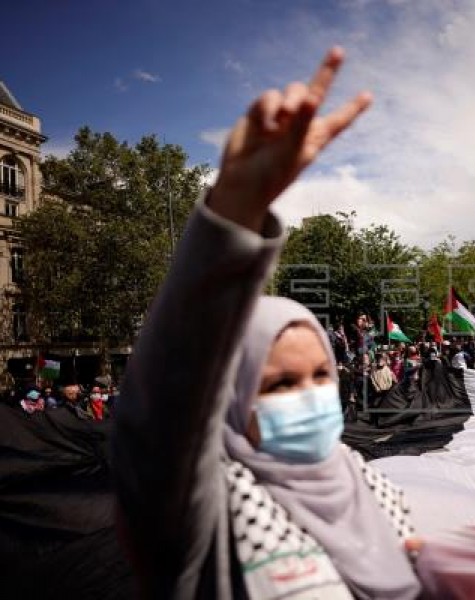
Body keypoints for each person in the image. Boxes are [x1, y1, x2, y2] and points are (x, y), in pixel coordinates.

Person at [113, 47, 420, 599]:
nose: (309, 396)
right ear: (229, 399)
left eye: (320, 376)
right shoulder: (201, 518)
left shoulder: (376, 491)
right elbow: (161, 414)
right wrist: (233, 212)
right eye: (278, 384)